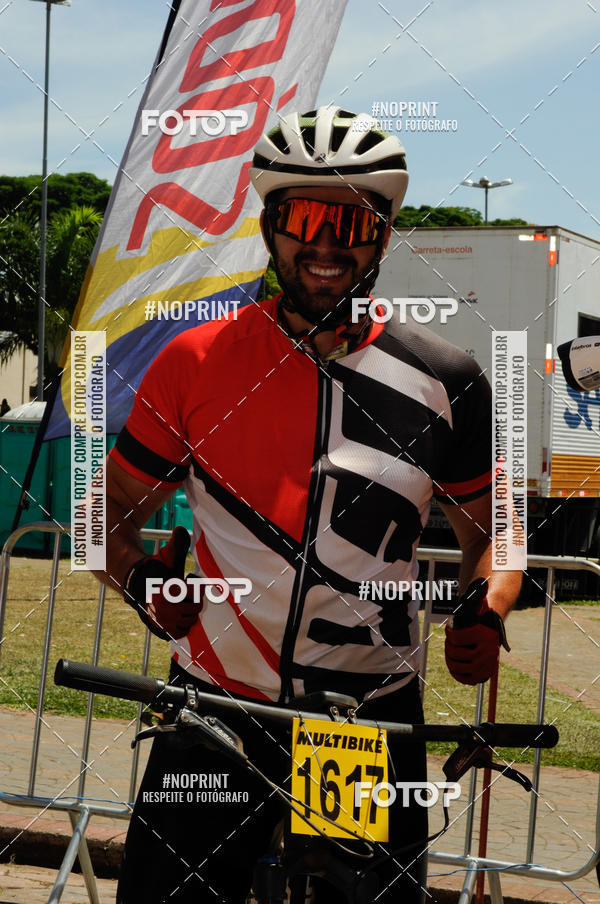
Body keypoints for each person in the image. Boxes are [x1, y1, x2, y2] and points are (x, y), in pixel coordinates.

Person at [96, 107, 521, 904]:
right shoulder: (195, 360)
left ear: (383, 238)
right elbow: (104, 509)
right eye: (303, 220)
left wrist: (488, 608)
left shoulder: (447, 377)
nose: (326, 245)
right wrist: (143, 581)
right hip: (216, 710)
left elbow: (496, 530)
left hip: (362, 719)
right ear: (269, 227)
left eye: (351, 224)